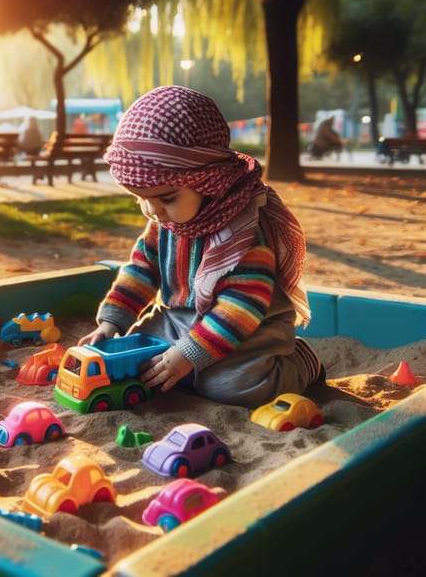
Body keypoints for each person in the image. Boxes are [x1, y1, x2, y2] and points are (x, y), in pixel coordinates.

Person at [78, 85, 324, 408]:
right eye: (141, 199)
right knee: (139, 359)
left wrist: (188, 354)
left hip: (248, 330)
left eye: (166, 198)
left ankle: (302, 361)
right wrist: (113, 321)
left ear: (208, 181)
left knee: (231, 386)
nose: (153, 211)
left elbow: (242, 308)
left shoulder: (243, 234)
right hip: (178, 319)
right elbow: (141, 268)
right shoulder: (165, 219)